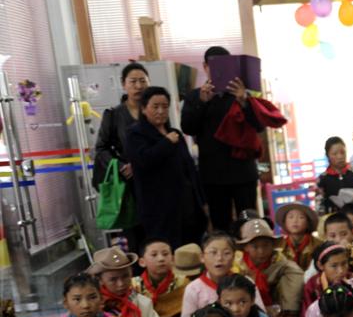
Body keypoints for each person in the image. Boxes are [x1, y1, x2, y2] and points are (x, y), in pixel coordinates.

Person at [181, 46, 261, 232]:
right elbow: (188, 127)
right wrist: (202, 103)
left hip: (243, 171)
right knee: (220, 225)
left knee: (249, 223)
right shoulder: (195, 96)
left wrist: (243, 101)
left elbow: (259, 126)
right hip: (213, 173)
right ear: (205, 67)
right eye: (214, 66)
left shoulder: (243, 94)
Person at [126, 86, 208, 248]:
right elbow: (143, 161)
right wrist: (166, 143)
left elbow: (190, 170)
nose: (161, 111)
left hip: (186, 205)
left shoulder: (175, 133)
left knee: (191, 249)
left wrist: (201, 201)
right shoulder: (135, 134)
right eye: (155, 107)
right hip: (159, 209)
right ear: (143, 109)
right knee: (166, 250)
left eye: (164, 106)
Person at [93, 62, 149, 252]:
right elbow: (100, 148)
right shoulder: (114, 114)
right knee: (133, 233)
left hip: (152, 180)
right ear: (123, 84)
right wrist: (120, 166)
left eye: (143, 81)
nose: (139, 86)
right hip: (128, 184)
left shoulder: (154, 111)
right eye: (133, 81)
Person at [180, 232, 264, 317]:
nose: (219, 258)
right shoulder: (194, 289)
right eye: (213, 253)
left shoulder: (246, 282)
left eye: (226, 253)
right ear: (202, 257)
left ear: (234, 256)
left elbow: (261, 315)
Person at [234, 219, 304, 317]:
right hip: (247, 310)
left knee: (292, 269)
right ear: (246, 247)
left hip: (277, 306)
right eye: (255, 247)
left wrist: (288, 310)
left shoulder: (279, 260)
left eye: (266, 245)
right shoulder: (237, 264)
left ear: (273, 245)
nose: (261, 251)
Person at [132, 239, 189, 317]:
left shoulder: (183, 282)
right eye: (154, 255)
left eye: (165, 254)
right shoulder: (134, 286)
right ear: (142, 262)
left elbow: (189, 315)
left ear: (172, 259)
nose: (161, 259)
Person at [301, 242, 353, 317]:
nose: (341, 271)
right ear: (320, 265)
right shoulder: (312, 285)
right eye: (334, 266)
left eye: (344, 263)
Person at [317, 136, 353, 214]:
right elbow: (319, 206)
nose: (340, 157)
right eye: (334, 154)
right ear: (327, 155)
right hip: (333, 221)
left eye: (343, 152)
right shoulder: (322, 179)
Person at [276, 202, 322, 271]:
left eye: (301, 217)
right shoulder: (278, 246)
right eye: (291, 217)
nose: (295, 221)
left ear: (308, 223)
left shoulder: (319, 245)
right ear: (284, 222)